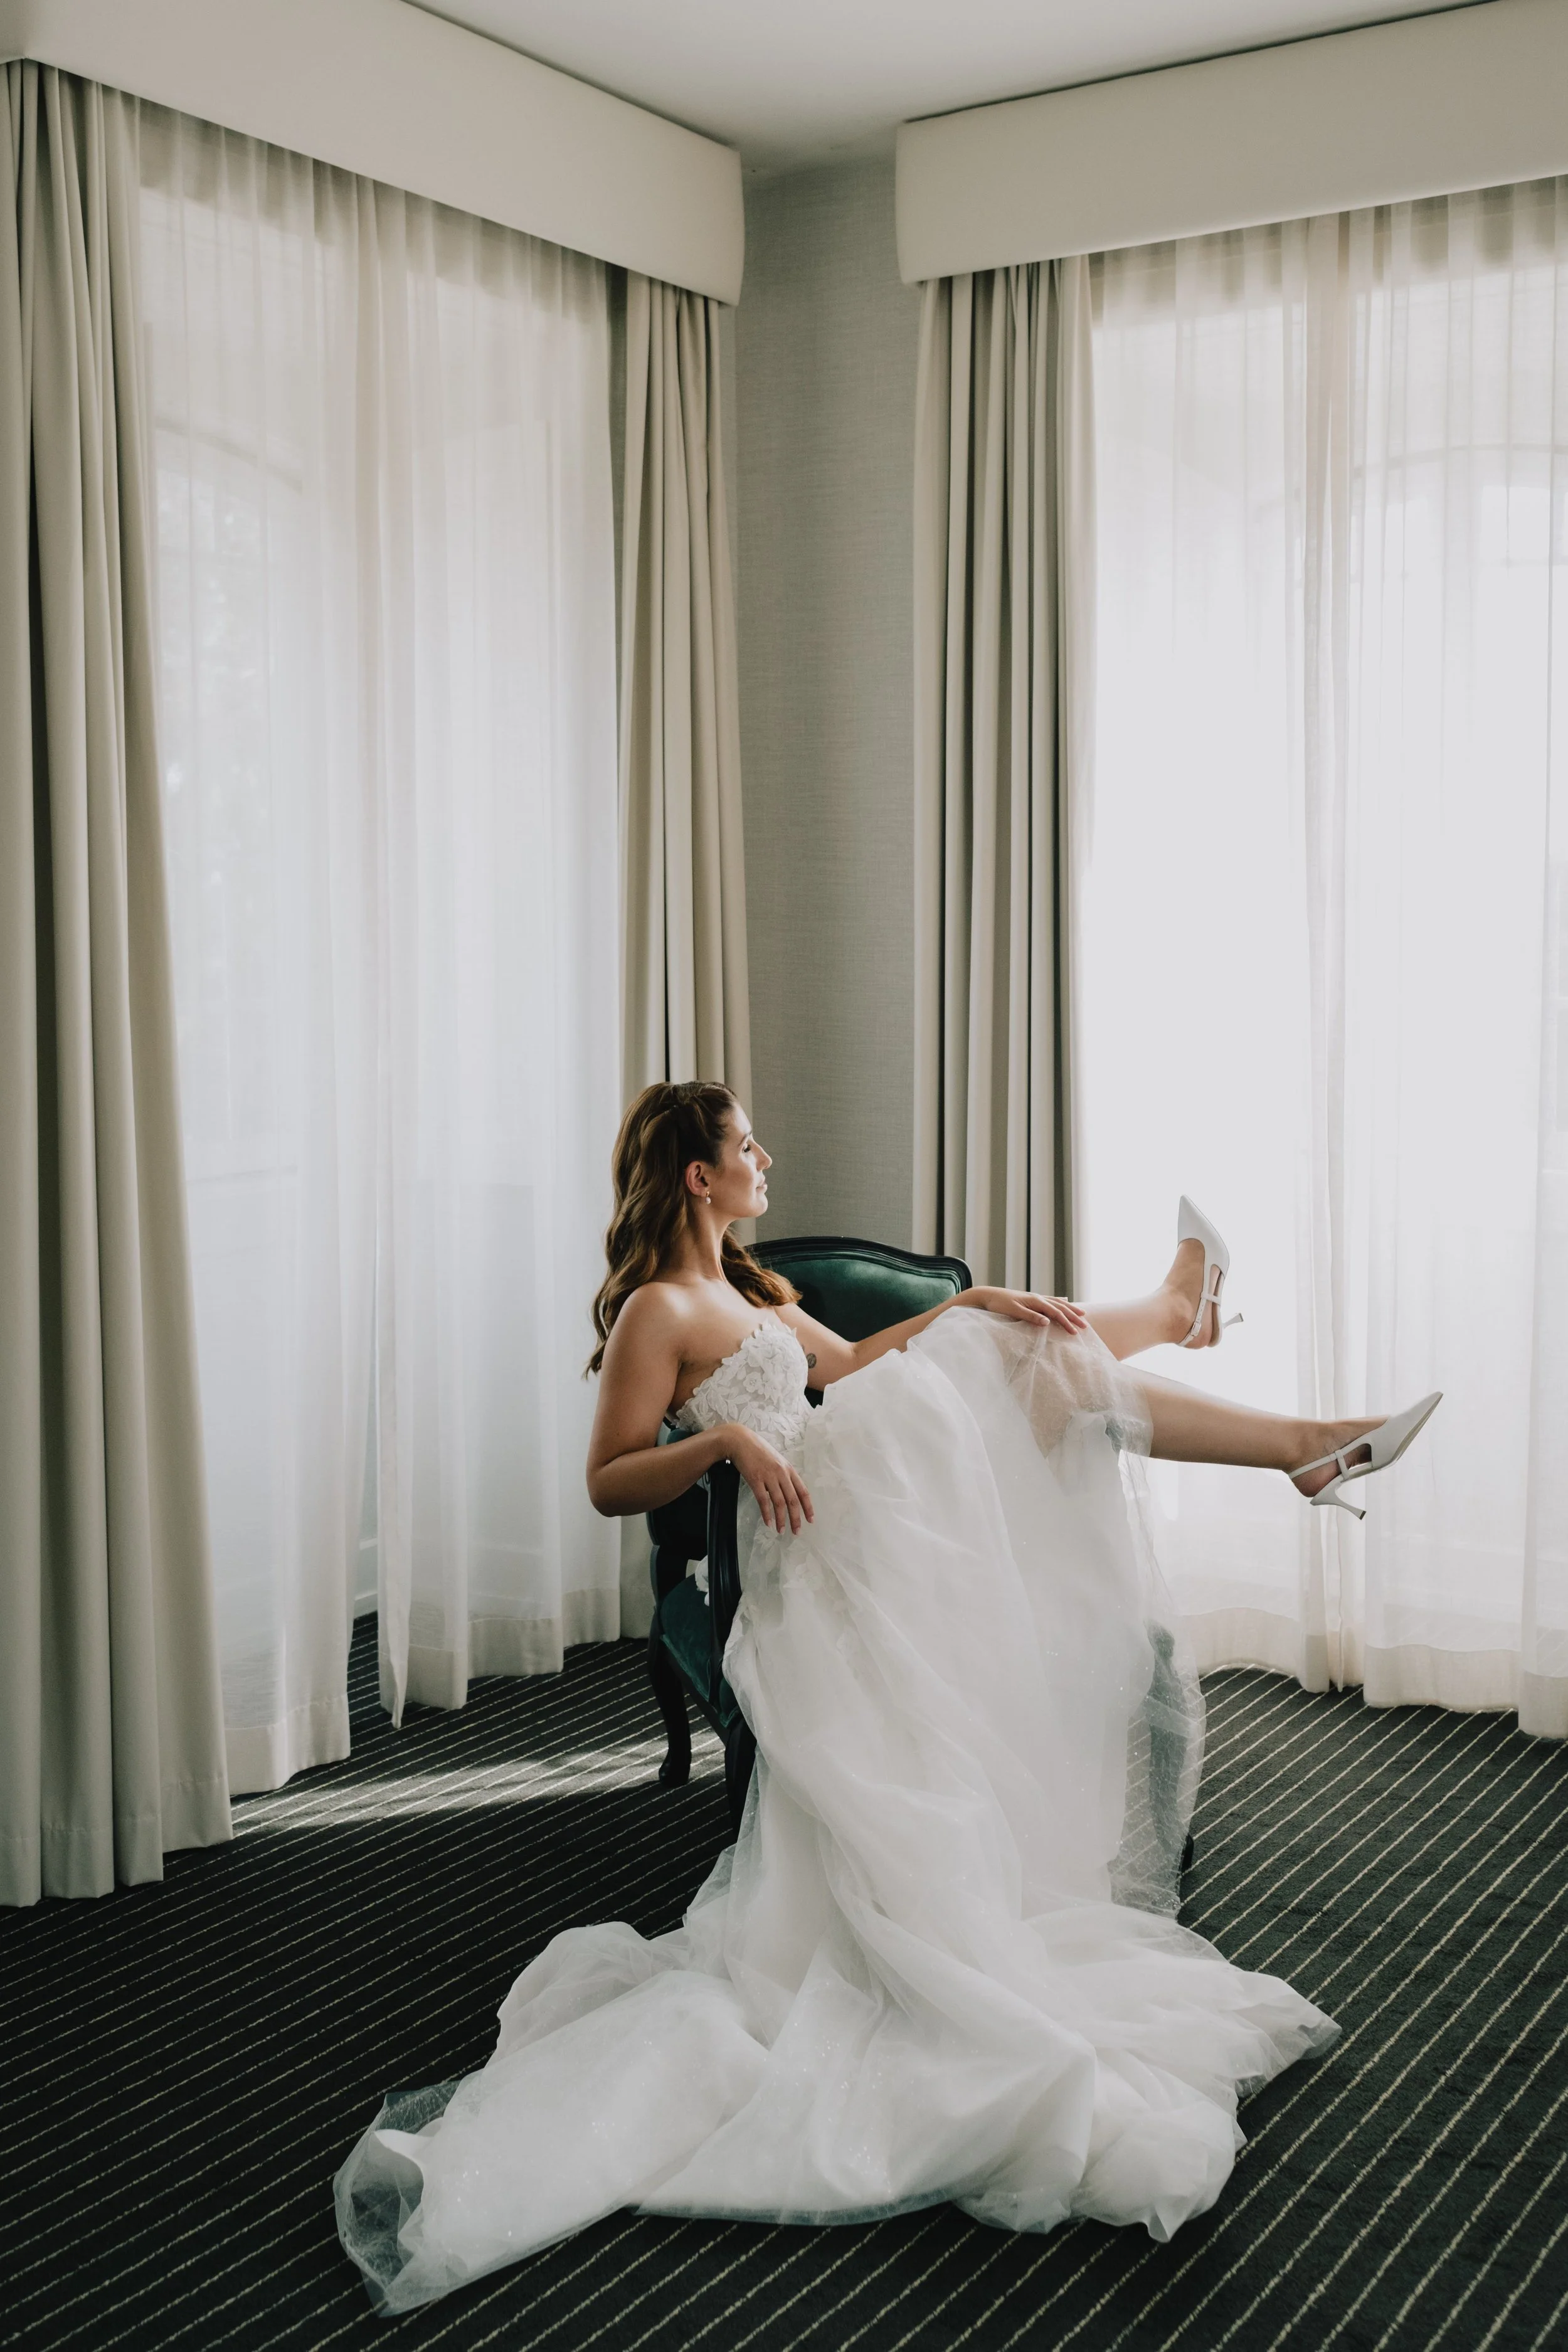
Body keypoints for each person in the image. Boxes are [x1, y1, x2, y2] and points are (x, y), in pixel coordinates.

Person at [335, 1079, 1441, 2314]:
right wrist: (725, 1444)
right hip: (812, 1544)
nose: (765, 1157)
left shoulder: (750, 1289)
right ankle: (1236, 1376)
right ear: (695, 1175)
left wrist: (958, 1305)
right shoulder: (661, 1306)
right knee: (1039, 1368)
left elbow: (852, 1370)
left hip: (864, 1494)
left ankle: (1263, 1403)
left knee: (1029, 1357)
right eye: (745, 1145)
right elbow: (606, 1481)